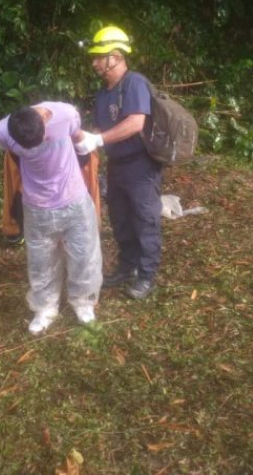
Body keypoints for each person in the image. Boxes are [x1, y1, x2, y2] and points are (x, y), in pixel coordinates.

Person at [0, 102, 103, 334]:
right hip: (36, 206)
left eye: (44, 138)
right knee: (41, 258)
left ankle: (83, 302)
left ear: (44, 120)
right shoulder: (3, 131)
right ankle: (44, 308)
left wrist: (92, 141)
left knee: (84, 253)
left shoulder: (66, 115)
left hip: (73, 197)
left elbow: (79, 139)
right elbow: (11, 154)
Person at [74, 25, 163, 300]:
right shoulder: (103, 94)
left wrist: (99, 141)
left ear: (115, 56)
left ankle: (147, 275)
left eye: (100, 57)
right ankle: (127, 267)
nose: (95, 63)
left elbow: (136, 122)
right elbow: (104, 130)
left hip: (141, 166)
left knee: (145, 219)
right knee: (121, 219)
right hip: (117, 166)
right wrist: (88, 140)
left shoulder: (134, 83)